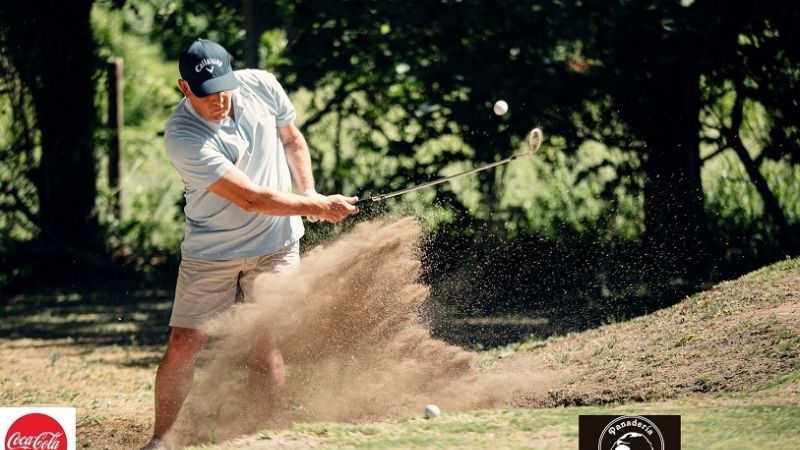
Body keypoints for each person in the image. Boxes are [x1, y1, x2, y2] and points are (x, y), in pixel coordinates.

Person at [141, 38, 359, 450]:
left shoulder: (260, 84)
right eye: (207, 93)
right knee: (186, 344)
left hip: (276, 244)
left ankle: (269, 434)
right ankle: (161, 440)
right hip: (212, 252)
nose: (220, 99)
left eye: (224, 87)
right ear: (184, 88)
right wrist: (316, 208)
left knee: (266, 338)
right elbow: (251, 197)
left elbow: (292, 140)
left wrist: (310, 192)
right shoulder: (183, 135)